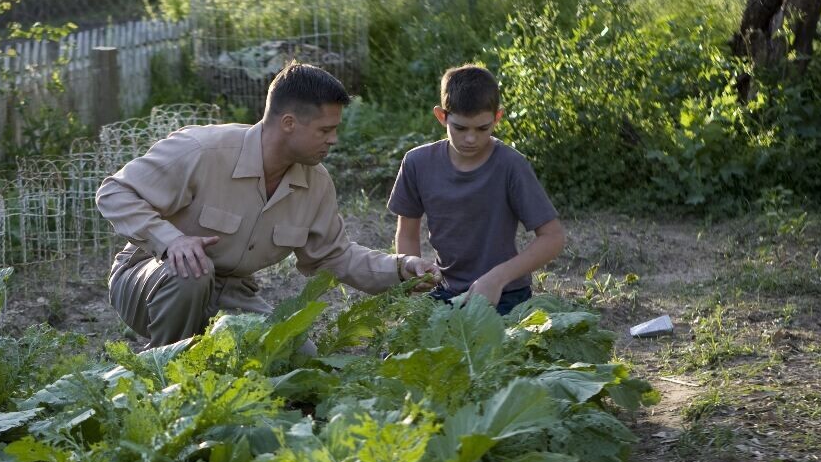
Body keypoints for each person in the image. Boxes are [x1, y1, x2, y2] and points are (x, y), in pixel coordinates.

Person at [96, 62, 435, 348]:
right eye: (325, 130)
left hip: (229, 293)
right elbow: (114, 193)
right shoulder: (202, 150)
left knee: (297, 355)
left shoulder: (316, 182)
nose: (333, 139)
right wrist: (170, 241)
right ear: (289, 123)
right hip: (150, 279)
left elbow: (333, 256)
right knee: (192, 272)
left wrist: (399, 269)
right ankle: (160, 375)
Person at [388, 64, 565, 317]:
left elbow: (552, 237)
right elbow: (406, 232)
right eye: (460, 128)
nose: (471, 139)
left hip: (505, 295)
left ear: (497, 118)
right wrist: (413, 274)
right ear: (442, 117)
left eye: (482, 128)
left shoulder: (511, 165)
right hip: (445, 291)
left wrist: (497, 278)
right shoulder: (417, 163)